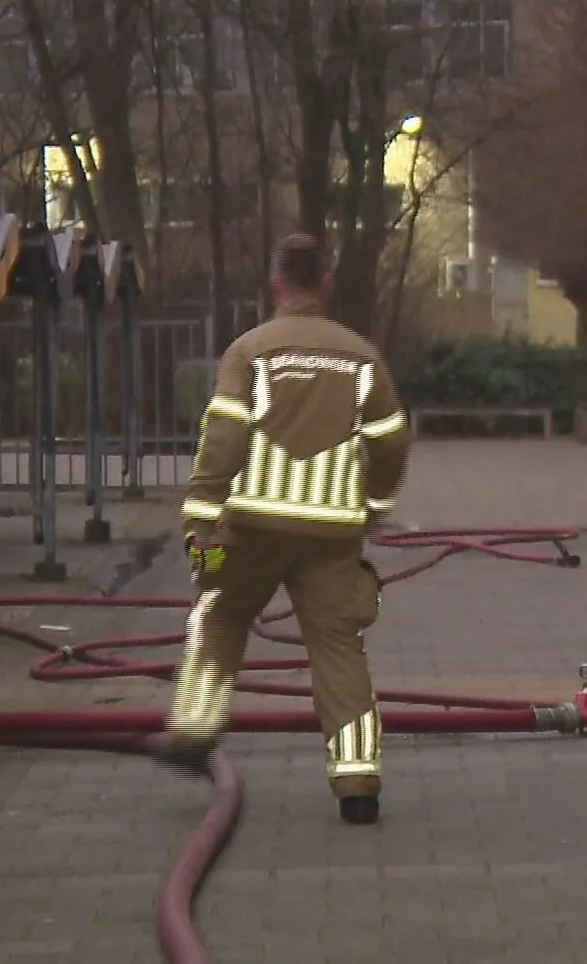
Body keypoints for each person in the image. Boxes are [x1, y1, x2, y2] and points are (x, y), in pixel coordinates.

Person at [158, 231, 412, 827]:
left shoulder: (251, 349)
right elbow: (392, 442)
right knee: (339, 647)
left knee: (217, 611)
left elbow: (222, 438)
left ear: (276, 283)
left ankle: (195, 729)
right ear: (324, 284)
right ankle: (357, 782)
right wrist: (373, 504)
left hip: (245, 532)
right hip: (332, 536)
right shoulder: (362, 357)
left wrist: (200, 517)